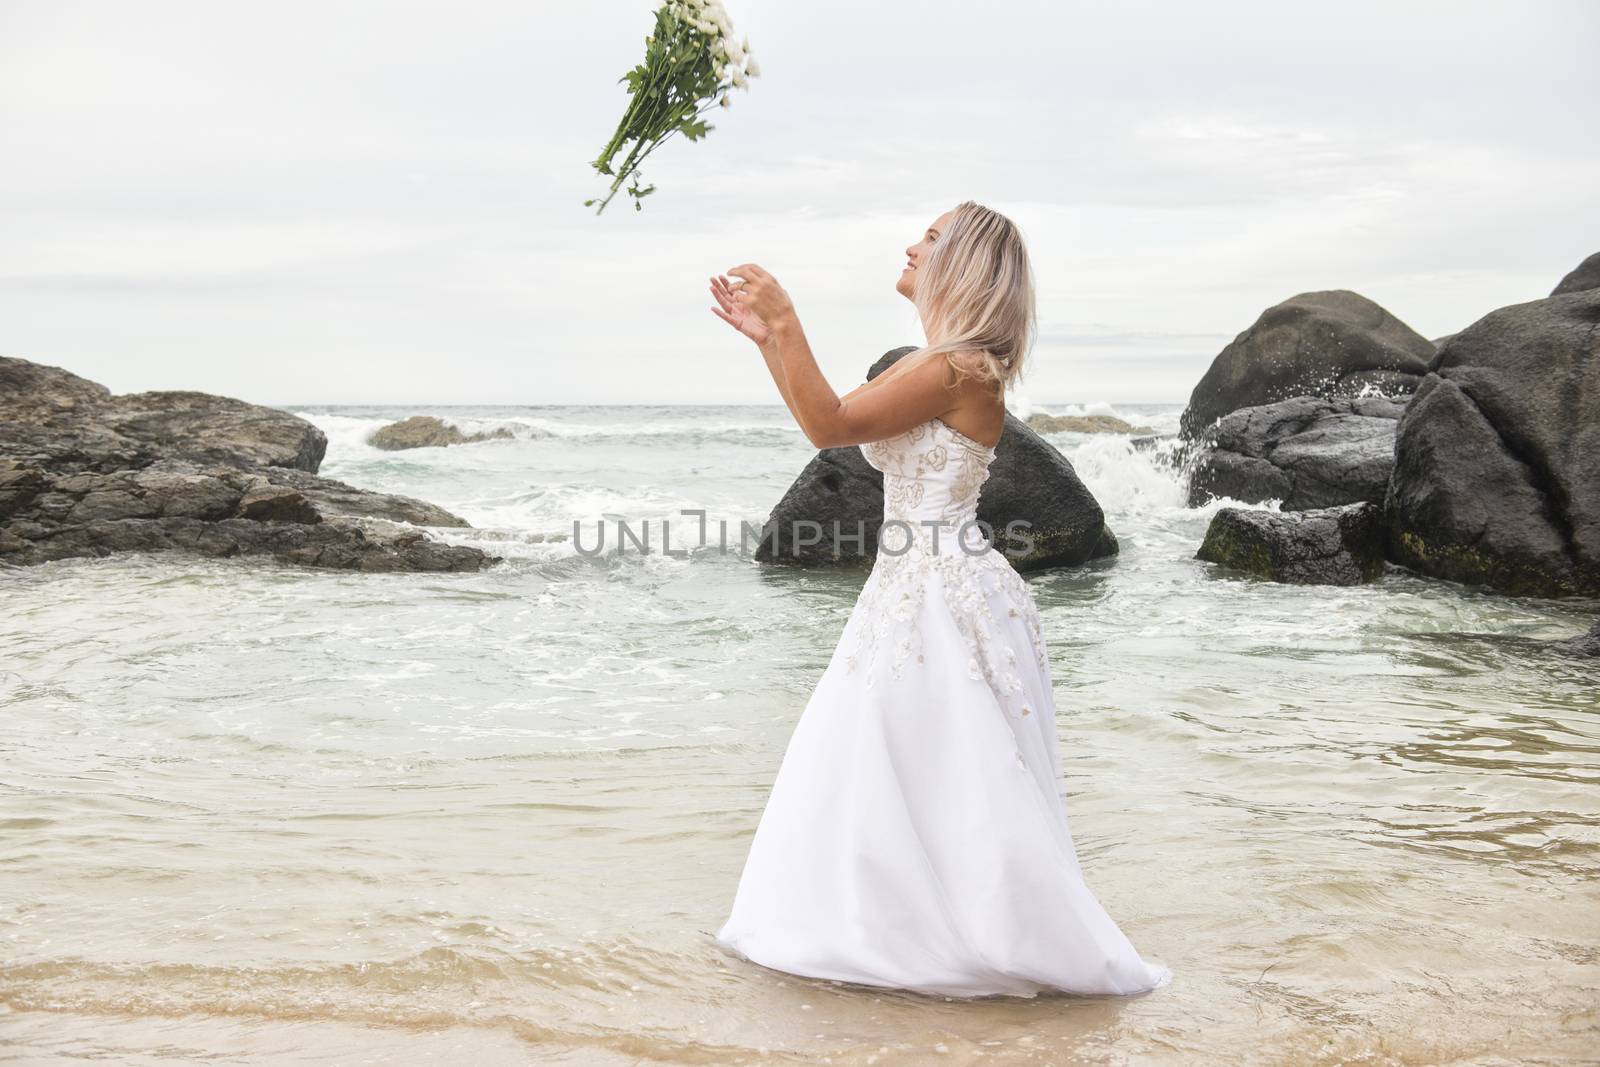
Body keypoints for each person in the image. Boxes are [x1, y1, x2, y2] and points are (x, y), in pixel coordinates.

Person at [704, 200, 1170, 997]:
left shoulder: (952, 368)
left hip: (935, 588)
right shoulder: (941, 365)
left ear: (964, 266)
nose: (911, 246)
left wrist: (787, 317)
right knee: (913, 766)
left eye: (929, 238)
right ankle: (911, 928)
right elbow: (830, 418)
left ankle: (950, 936)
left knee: (943, 770)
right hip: (922, 579)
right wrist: (771, 340)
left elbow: (830, 425)